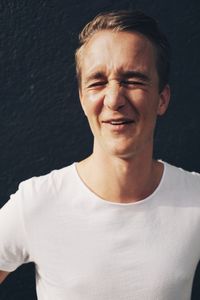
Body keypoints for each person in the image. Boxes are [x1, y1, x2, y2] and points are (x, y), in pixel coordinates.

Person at [0, 9, 200, 300]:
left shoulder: (195, 198)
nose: (114, 99)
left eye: (133, 80)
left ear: (162, 99)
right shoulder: (37, 203)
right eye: (97, 82)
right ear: (83, 99)